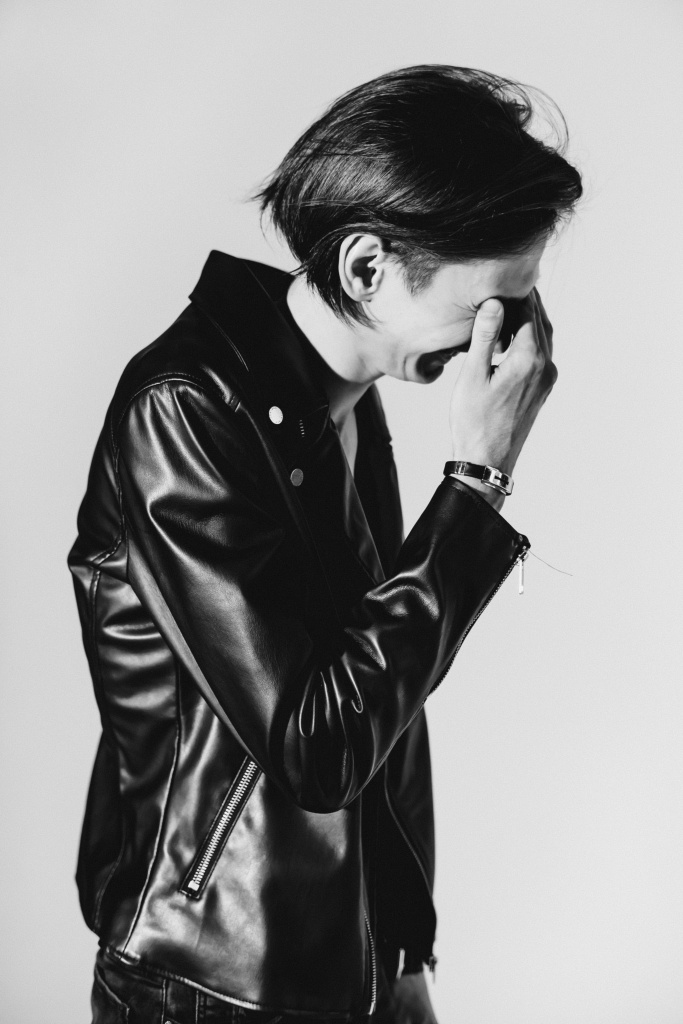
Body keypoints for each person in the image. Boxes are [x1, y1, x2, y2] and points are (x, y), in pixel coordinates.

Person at [68, 65, 582, 1024]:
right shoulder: (187, 411)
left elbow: (381, 701)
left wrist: (403, 945)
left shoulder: (339, 406)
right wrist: (475, 485)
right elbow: (318, 746)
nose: (508, 339)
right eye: (491, 304)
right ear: (364, 269)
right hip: (210, 981)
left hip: (348, 963)